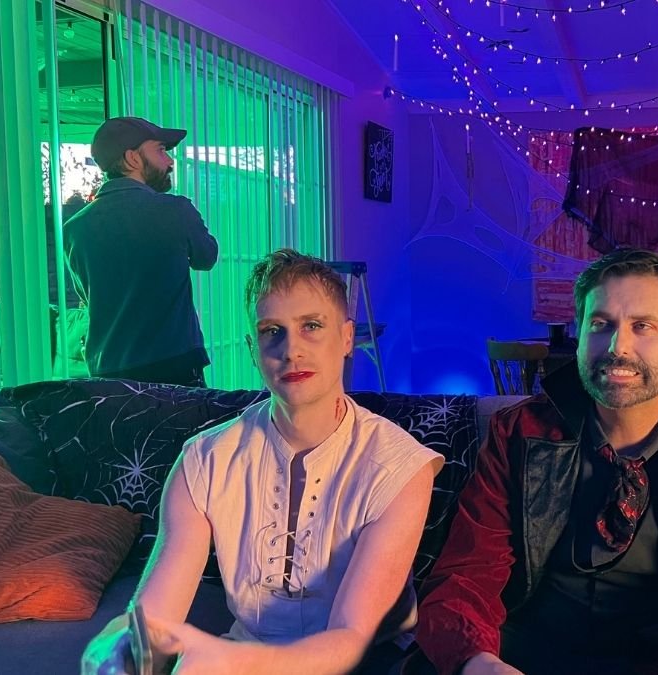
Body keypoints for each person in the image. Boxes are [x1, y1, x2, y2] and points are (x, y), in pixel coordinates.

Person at [413, 249, 658, 674]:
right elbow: (465, 577)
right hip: (525, 650)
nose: (618, 346)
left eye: (643, 326)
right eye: (601, 325)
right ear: (580, 335)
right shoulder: (519, 433)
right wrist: (480, 663)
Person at [81, 249, 443, 674]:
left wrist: (233, 661)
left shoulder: (400, 467)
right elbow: (156, 615)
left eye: (311, 326)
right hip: (246, 651)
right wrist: (122, 643)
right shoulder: (204, 461)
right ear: (253, 349)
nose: (291, 350)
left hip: (372, 661)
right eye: (273, 331)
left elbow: (350, 638)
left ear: (346, 339)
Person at [64, 116, 218, 386]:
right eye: (161, 150)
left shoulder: (74, 228)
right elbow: (207, 257)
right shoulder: (174, 210)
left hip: (108, 371)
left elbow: (87, 296)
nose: (170, 161)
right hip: (175, 366)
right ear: (133, 158)